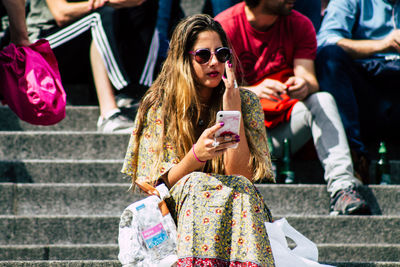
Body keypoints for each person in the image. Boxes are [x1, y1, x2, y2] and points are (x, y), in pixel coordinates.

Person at [121, 14, 276, 265]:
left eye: (221, 54)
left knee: (241, 188)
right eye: (203, 55)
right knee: (196, 182)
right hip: (178, 212)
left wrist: (233, 113)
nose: (214, 62)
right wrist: (196, 156)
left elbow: (241, 177)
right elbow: (154, 187)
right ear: (185, 60)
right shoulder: (159, 103)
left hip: (233, 208)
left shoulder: (246, 101)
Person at [215, 0, 372, 215]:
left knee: (322, 99)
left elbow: (309, 79)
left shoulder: (300, 24)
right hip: (241, 138)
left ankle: (343, 188)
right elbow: (209, 92)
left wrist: (303, 85)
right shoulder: (224, 27)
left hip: (282, 130)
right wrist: (252, 91)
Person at [24, 0, 158, 133]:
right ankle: (109, 114)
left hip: (84, 38)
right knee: (100, 16)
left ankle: (133, 95)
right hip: (43, 45)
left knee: (143, 9)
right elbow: (61, 14)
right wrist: (98, 3)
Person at [316, 0, 400, 184]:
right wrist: (384, 44)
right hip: (365, 88)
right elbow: (326, 40)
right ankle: (356, 158)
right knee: (329, 57)